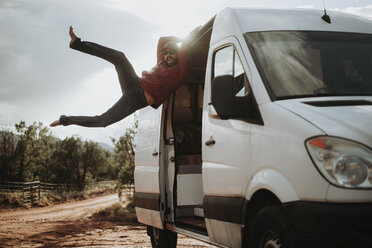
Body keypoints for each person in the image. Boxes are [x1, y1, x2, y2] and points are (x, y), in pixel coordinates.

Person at [50, 26, 190, 128]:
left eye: (172, 53)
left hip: (136, 99)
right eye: (166, 53)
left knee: (103, 120)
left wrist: (185, 40)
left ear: (178, 55)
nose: (168, 56)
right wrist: (178, 39)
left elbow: (183, 50)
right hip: (135, 83)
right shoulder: (162, 63)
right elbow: (162, 40)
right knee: (119, 57)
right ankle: (77, 44)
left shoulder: (179, 73)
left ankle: (65, 120)